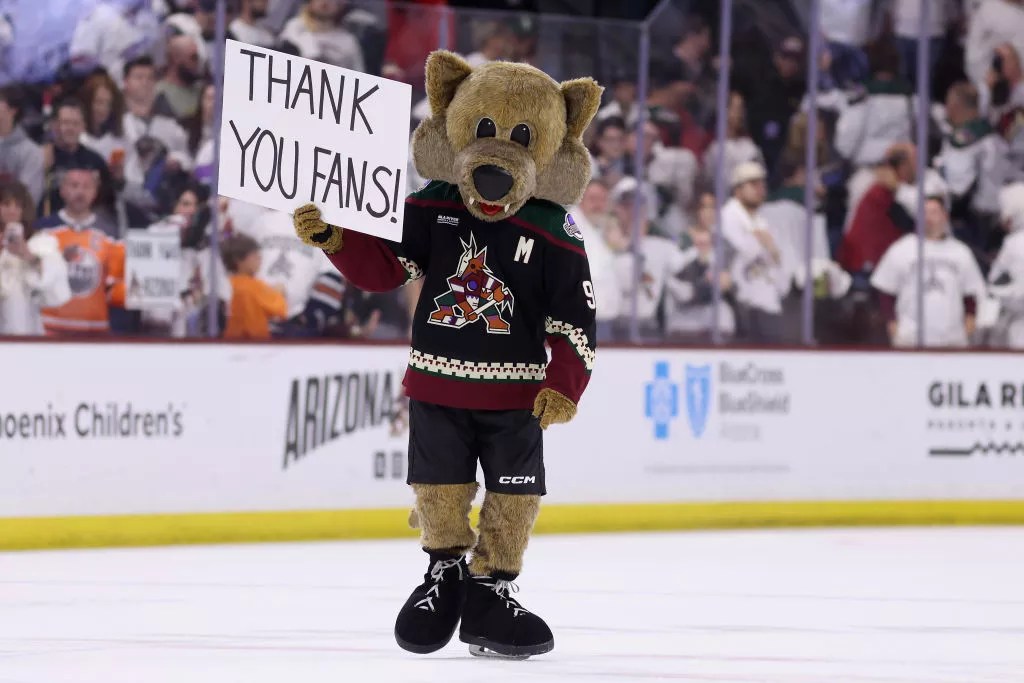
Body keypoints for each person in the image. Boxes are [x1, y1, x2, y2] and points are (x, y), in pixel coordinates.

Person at [871, 195, 987, 347]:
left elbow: (971, 293)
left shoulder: (961, 252)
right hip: (910, 338)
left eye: (933, 212)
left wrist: (969, 322)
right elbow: (886, 291)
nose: (928, 218)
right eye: (923, 213)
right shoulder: (901, 249)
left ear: (944, 216)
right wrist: (893, 324)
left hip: (951, 339)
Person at [33, 168, 125, 337]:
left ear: (95, 193)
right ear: (62, 190)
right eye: (74, 185)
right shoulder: (44, 229)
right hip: (49, 329)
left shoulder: (110, 233)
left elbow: (117, 287)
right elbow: (34, 276)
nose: (80, 192)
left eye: (86, 187)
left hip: (94, 332)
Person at [720, 161, 791, 343]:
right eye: (753, 184)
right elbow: (741, 251)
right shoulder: (728, 216)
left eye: (762, 184)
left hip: (766, 300)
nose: (760, 189)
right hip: (742, 304)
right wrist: (762, 242)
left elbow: (776, 258)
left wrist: (770, 247)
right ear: (737, 190)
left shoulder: (762, 220)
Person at [0, 181, 70, 335]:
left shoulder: (41, 243)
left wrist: (28, 255)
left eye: (18, 205)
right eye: (6, 204)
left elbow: (58, 292)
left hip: (26, 334)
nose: (12, 210)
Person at [220, 232, 288, 340]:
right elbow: (280, 310)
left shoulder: (225, 285)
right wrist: (279, 293)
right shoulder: (254, 287)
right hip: (256, 344)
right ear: (238, 260)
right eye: (255, 256)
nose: (260, 259)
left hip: (228, 342)